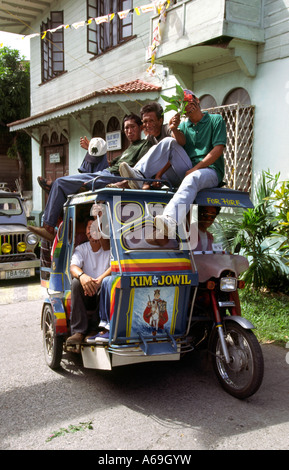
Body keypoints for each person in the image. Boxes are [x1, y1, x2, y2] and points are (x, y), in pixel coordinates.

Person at [118, 90, 227, 236]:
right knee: (169, 141)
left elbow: (218, 150)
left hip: (210, 171)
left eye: (190, 100)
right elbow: (179, 144)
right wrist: (174, 128)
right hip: (189, 169)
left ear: (197, 100)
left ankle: (170, 219)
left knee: (192, 178)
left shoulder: (215, 120)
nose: (188, 105)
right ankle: (138, 175)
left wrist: (195, 169)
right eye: (184, 103)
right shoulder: (184, 126)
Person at [30, 114, 152, 242]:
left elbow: (139, 169)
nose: (129, 131)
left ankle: (48, 227)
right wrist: (91, 148)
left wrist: (124, 182)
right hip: (106, 172)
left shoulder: (145, 145)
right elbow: (110, 163)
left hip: (115, 177)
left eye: (132, 127)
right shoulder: (128, 149)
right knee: (96, 147)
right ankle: (73, 184)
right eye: (126, 128)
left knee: (60, 183)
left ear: (140, 128)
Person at [66, 217, 111, 344]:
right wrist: (83, 277)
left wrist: (99, 281)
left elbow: (115, 266)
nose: (93, 231)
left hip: (101, 292)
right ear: (86, 232)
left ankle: (94, 329)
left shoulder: (109, 249)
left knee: (107, 284)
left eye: (96, 228)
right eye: (90, 227)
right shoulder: (81, 249)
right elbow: (73, 267)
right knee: (75, 282)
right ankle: (78, 332)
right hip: (85, 293)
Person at [37, 136, 108, 194]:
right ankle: (54, 186)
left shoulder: (105, 167)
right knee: (66, 183)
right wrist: (90, 148)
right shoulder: (90, 157)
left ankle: (53, 185)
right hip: (88, 181)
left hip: (96, 184)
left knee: (63, 183)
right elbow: (84, 173)